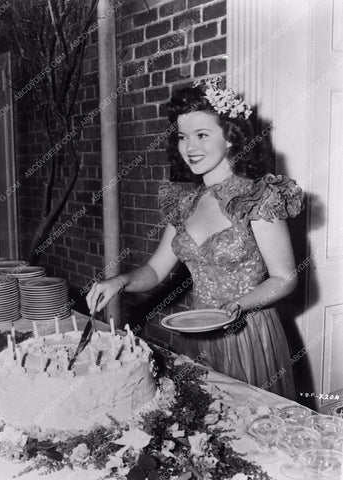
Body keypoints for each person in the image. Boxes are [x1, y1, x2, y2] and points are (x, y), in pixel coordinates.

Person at [86, 77, 303, 400]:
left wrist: (237, 306)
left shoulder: (257, 197)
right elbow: (155, 272)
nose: (189, 147)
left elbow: (285, 278)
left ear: (230, 137)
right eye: (182, 137)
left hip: (246, 334)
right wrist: (119, 281)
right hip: (196, 330)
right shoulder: (184, 203)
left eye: (202, 135)